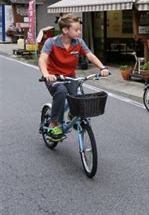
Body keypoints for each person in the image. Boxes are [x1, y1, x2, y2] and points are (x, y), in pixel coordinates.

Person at [38, 13, 109, 141]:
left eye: (79, 29)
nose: (79, 32)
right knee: (61, 91)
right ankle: (54, 124)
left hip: (70, 77)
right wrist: (46, 74)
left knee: (77, 95)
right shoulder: (51, 42)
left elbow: (90, 56)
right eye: (76, 30)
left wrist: (102, 67)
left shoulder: (78, 42)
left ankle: (73, 113)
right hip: (54, 77)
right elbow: (42, 59)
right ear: (65, 30)